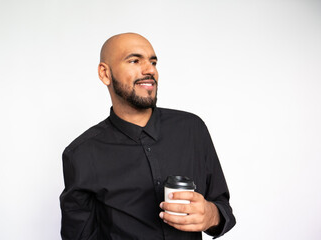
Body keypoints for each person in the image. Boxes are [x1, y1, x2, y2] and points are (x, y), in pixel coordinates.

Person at [60, 33, 236, 239]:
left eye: (153, 62)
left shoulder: (192, 129)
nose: (150, 69)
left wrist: (211, 215)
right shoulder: (81, 154)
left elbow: (222, 208)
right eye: (134, 61)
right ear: (105, 73)